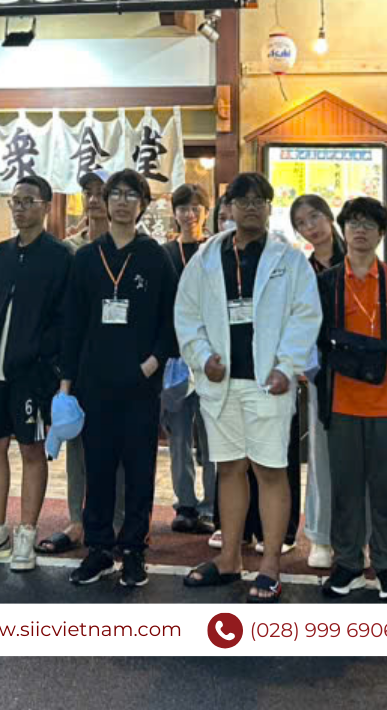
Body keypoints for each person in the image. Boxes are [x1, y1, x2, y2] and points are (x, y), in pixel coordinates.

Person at [176, 173, 320, 601]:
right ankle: (229, 559)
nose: (252, 207)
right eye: (243, 200)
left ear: (269, 208)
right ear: (230, 209)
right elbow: (186, 313)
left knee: (270, 470)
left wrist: (287, 366)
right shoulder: (206, 257)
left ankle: (270, 563)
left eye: (260, 200)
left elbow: (305, 315)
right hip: (221, 383)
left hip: (267, 383)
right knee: (229, 468)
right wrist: (202, 357)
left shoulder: (289, 260)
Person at [63, 169, 179, 589]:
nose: (123, 201)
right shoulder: (86, 258)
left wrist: (153, 363)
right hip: (94, 383)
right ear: (106, 202)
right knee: (97, 467)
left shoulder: (155, 257)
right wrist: (67, 383)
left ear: (143, 204)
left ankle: (133, 550)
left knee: (139, 469)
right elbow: (73, 323)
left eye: (132, 195)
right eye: (116, 194)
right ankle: (98, 549)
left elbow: (171, 319)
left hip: (140, 385)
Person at [311, 196, 387, 602]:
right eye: (354, 223)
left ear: (381, 234)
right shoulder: (325, 283)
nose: (360, 231)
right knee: (344, 487)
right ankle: (347, 564)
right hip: (341, 402)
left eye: (369, 225)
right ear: (343, 229)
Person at [0, 173, 68, 570]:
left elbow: (64, 318)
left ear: (46, 207)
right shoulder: (1, 254)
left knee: (31, 450)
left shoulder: (60, 256)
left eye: (28, 201)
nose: (19, 208)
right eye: (15, 201)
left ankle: (26, 532)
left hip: (33, 374)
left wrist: (44, 359)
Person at [40, 167, 122, 557]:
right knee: (76, 440)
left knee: (119, 445)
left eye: (101, 192)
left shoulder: (130, 247)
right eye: (88, 191)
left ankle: (118, 522)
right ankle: (78, 518)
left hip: (119, 361)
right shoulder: (68, 249)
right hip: (77, 361)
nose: (94, 199)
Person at [284, 193, 339, 566]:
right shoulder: (302, 271)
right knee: (321, 455)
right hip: (322, 371)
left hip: (363, 371)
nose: (311, 227)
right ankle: (321, 536)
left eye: (315, 217)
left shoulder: (357, 259)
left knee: (359, 457)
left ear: (329, 217)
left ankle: (357, 535)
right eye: (301, 223)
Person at [163, 182, 216, 534]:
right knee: (179, 437)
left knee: (212, 438)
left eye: (196, 207)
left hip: (211, 358)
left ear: (206, 212)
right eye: (183, 208)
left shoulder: (215, 251)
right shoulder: (164, 253)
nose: (189, 214)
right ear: (175, 213)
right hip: (175, 359)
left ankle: (212, 506)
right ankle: (185, 504)